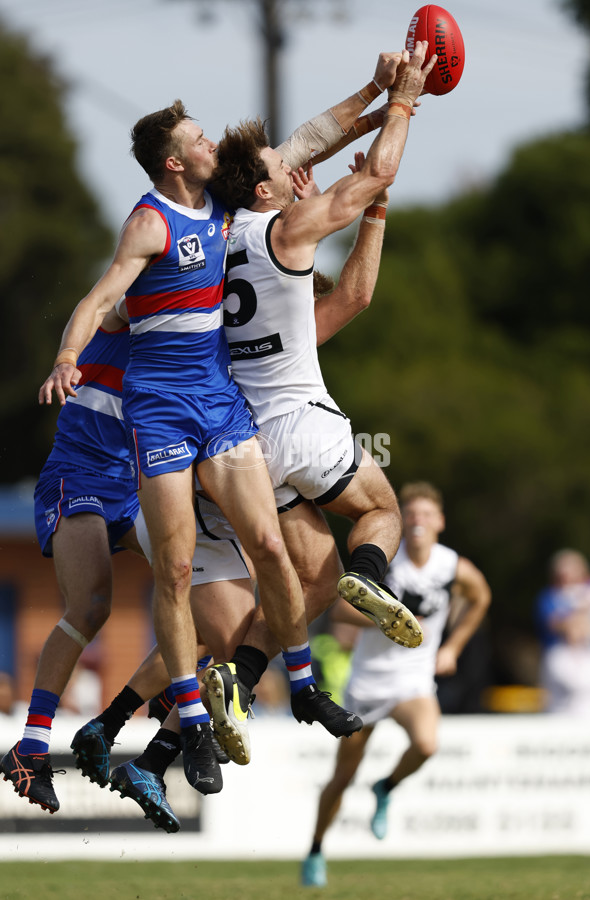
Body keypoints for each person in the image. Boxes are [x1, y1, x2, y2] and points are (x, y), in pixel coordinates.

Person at [36, 57, 404, 790]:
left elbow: (301, 143)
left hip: (227, 418)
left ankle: (242, 706)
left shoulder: (229, 211)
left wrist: (372, 95)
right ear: (177, 161)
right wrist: (68, 355)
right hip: (169, 421)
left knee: (265, 572)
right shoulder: (167, 222)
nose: (212, 144)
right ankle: (182, 732)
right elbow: (101, 292)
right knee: (220, 596)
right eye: (199, 137)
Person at [200, 42, 437, 750]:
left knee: (315, 580)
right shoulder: (287, 229)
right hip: (303, 421)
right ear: (266, 190)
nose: (294, 159)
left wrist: (370, 90)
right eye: (280, 166)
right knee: (381, 509)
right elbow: (378, 171)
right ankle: (375, 573)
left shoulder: (214, 237)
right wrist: (402, 104)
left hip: (249, 448)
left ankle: (238, 676)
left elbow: (304, 146)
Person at [301, 482, 491, 887]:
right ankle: (316, 849)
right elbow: (340, 614)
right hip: (368, 684)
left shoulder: (450, 566)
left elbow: (481, 597)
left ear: (440, 522)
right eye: (412, 514)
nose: (419, 520)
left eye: (427, 514)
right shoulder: (387, 561)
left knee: (427, 743)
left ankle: (385, 786)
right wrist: (384, 618)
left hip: (413, 682)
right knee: (342, 777)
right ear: (403, 522)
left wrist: (453, 646)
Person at [1, 306, 142, 814]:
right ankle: (31, 746)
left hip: (135, 489)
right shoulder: (142, 304)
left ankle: (137, 730)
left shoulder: (202, 339)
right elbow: (97, 306)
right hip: (78, 475)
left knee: (195, 584)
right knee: (91, 606)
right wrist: (65, 358)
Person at [535, 549, 590, 718]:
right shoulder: (548, 597)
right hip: (562, 659)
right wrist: (582, 614)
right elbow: (557, 625)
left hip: (589, 656)